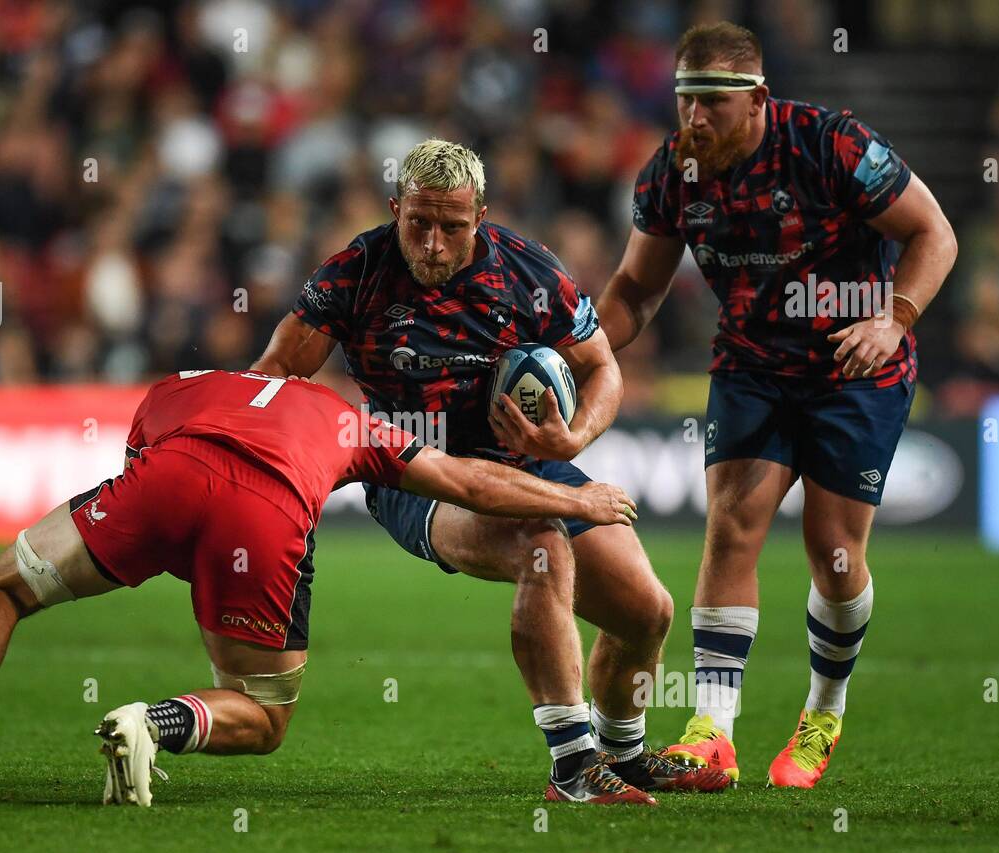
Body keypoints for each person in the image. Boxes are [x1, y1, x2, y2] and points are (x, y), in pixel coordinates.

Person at [0, 370, 640, 806]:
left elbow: (141, 460)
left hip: (167, 473)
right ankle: (152, 721)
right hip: (266, 514)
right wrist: (578, 499)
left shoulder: (178, 384)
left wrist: (166, 543)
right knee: (263, 712)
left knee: (5, 585)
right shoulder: (344, 418)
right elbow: (464, 479)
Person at [255, 139, 730, 803]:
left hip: (527, 461)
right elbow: (273, 377)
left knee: (645, 612)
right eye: (418, 223)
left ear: (480, 215)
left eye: (452, 226)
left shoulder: (526, 273)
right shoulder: (355, 272)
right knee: (540, 547)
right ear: (396, 209)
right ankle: (572, 766)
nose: (433, 243)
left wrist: (573, 438)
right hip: (416, 475)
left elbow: (602, 367)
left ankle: (621, 755)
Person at [596, 22, 957, 787]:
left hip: (853, 366)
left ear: (758, 98)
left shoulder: (833, 146)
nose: (695, 120)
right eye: (686, 101)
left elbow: (934, 232)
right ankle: (711, 733)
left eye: (713, 105)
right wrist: (583, 349)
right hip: (754, 364)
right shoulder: (672, 172)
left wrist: (895, 318)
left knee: (833, 550)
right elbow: (636, 289)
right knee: (730, 527)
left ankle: (824, 707)